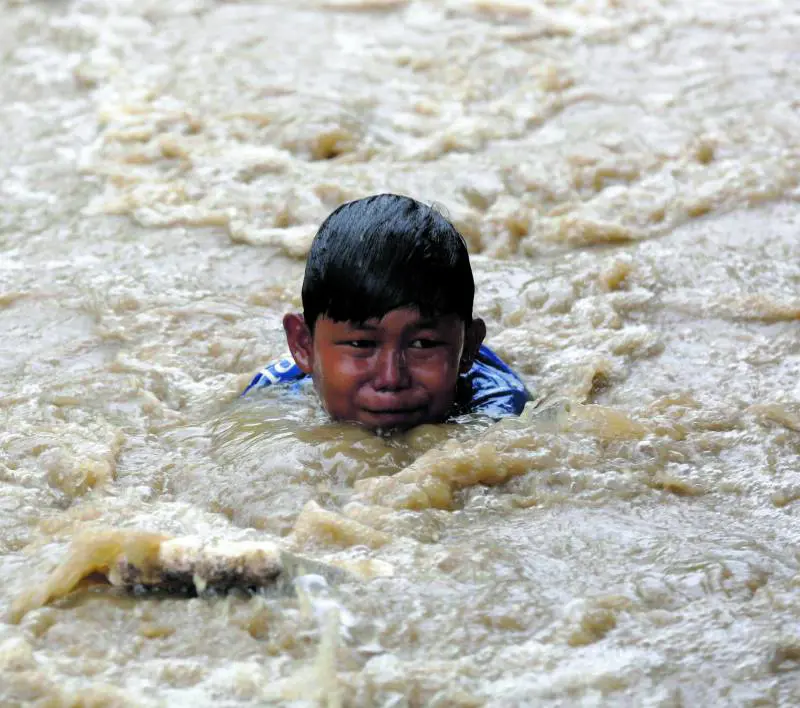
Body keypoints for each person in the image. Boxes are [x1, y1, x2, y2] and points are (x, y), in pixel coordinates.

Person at [243, 194, 531, 430]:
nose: (391, 378)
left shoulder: (500, 415)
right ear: (303, 347)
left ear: (468, 349)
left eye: (422, 344)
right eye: (361, 344)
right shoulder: (272, 396)